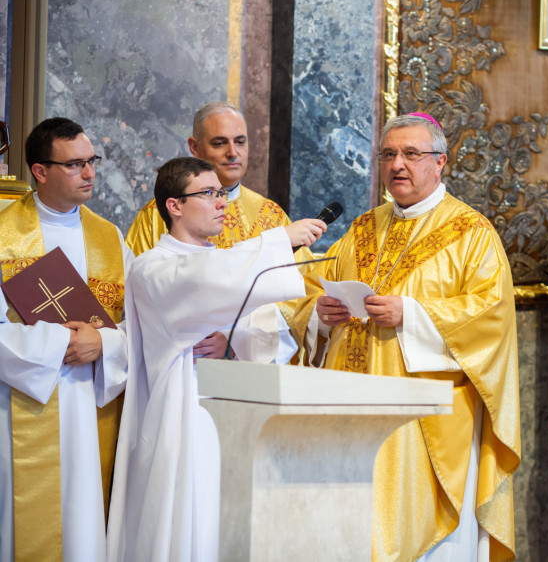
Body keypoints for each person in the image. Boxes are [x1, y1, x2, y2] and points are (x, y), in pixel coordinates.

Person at [290, 113, 521, 561]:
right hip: (347, 410)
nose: (397, 164)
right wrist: (321, 314)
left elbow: (490, 319)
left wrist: (410, 314)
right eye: (389, 154)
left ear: (440, 162)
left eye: (411, 154)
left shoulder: (471, 234)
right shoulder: (362, 229)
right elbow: (314, 294)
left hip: (422, 426)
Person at [106, 157, 306, 561]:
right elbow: (199, 282)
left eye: (222, 193)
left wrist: (230, 341)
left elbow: (262, 323)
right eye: (208, 193)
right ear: (174, 206)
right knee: (187, 528)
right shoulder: (152, 268)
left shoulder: (228, 269)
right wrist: (279, 240)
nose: (222, 203)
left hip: (234, 419)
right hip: (182, 421)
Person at [0, 118, 133, 561]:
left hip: (93, 404)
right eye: (75, 164)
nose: (89, 173)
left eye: (92, 161)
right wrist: (58, 345)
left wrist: (105, 345)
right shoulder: (3, 234)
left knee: (87, 529)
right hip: (24, 402)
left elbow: (140, 324)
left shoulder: (110, 238)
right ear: (40, 171)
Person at [125, 101, 325, 363]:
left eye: (240, 142)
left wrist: (235, 341)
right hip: (181, 362)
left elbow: (298, 302)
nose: (233, 153)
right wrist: (280, 240)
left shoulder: (272, 216)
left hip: (249, 370)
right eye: (220, 143)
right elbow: (200, 275)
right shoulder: (156, 216)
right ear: (194, 147)